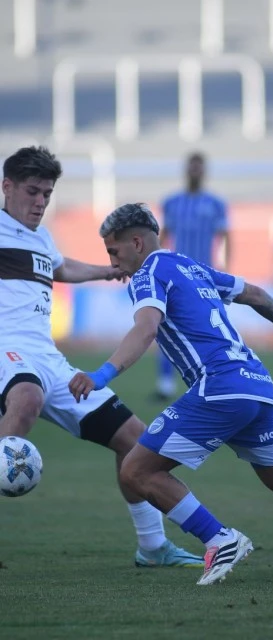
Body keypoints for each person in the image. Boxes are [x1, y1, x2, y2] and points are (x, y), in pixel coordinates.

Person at [69, 202, 273, 587]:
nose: (113, 263)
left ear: (136, 243)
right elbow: (257, 295)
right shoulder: (191, 266)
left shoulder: (149, 273)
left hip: (220, 387)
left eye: (114, 252)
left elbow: (146, 329)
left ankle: (219, 539)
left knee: (135, 469)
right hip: (257, 385)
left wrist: (102, 374)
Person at [0, 146, 202, 569]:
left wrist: (107, 270)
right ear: (7, 187)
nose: (40, 202)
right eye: (33, 192)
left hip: (48, 358)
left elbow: (60, 268)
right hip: (7, 348)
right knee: (26, 400)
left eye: (47, 195)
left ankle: (152, 547)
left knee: (134, 439)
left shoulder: (40, 237)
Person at [154, 151, 230, 399]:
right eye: (191, 167)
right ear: (186, 170)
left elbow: (226, 238)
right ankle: (165, 384)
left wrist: (224, 270)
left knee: (206, 328)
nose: (195, 171)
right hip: (175, 276)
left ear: (204, 171)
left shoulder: (216, 203)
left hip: (204, 276)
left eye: (199, 167)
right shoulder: (172, 202)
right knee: (165, 325)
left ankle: (210, 381)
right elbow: (163, 236)